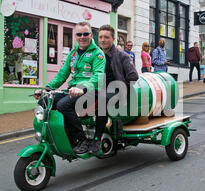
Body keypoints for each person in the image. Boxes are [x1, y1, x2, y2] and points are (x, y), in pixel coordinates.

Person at [44, 21, 106, 155]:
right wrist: (48, 88)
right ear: (75, 36)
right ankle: (62, 136)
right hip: (73, 90)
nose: (82, 37)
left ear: (91, 35)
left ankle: (81, 139)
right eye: (79, 34)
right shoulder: (73, 53)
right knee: (44, 101)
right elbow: (63, 73)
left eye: (86, 34)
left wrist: (82, 88)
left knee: (63, 105)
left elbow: (98, 77)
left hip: (90, 91)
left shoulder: (98, 54)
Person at [89, 25, 139, 154]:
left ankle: (96, 139)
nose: (103, 40)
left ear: (113, 39)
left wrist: (122, 87)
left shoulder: (122, 55)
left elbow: (134, 76)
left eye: (106, 37)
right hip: (99, 88)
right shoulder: (95, 54)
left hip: (116, 90)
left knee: (101, 101)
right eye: (100, 37)